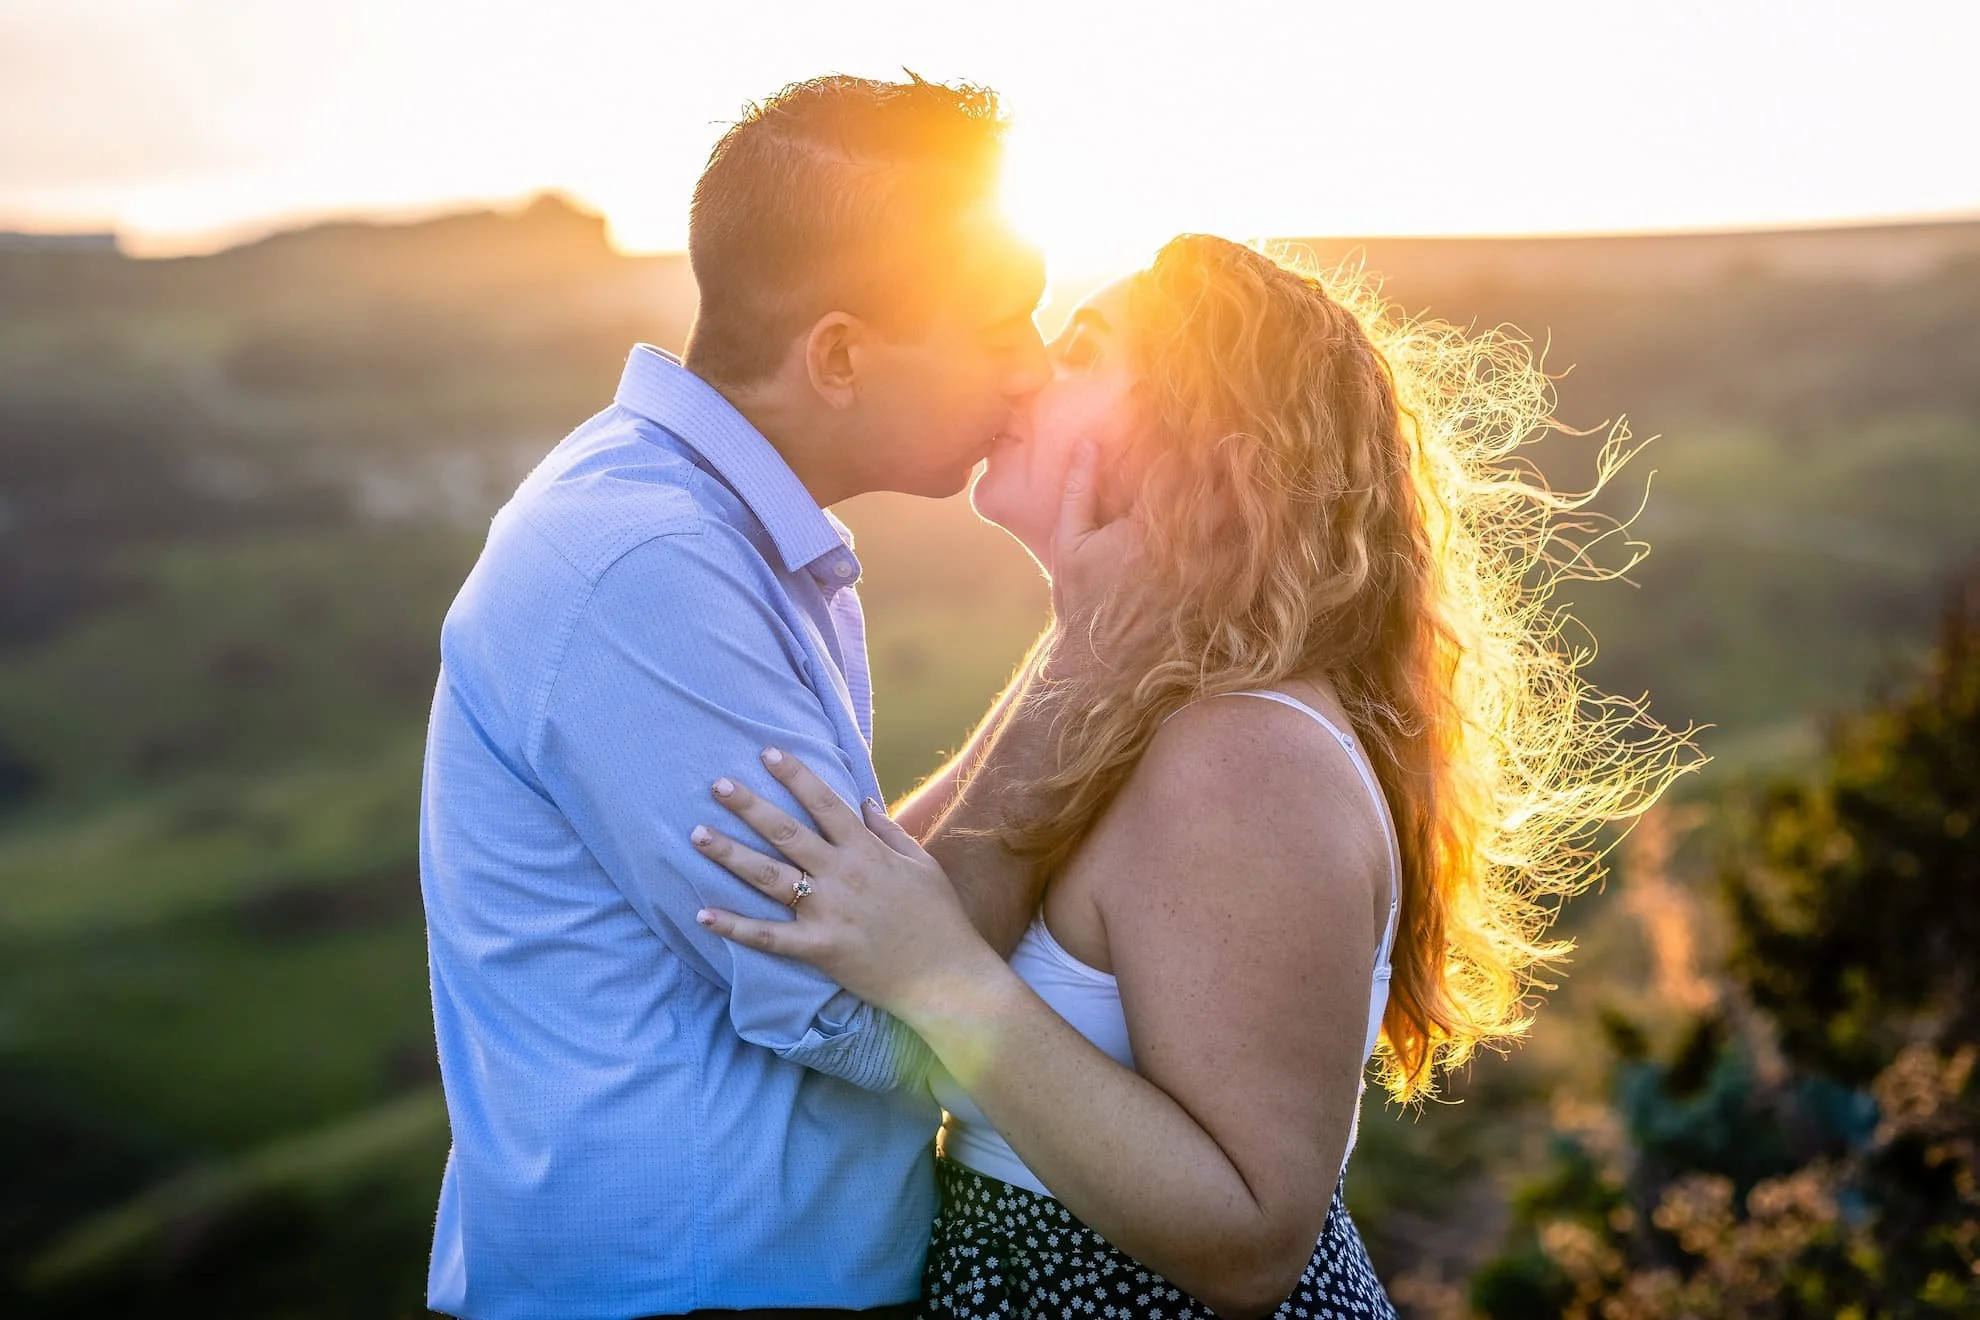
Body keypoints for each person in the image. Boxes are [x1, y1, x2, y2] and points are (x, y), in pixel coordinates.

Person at [691, 235, 1694, 1318]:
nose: (1025, 374)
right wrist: (1084, 647)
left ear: (1200, 439)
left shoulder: (1239, 754)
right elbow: (888, 897)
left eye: (1083, 352)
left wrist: (946, 977)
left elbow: (1253, 1239)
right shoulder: (1132, 703)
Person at [417, 74, 1056, 1318]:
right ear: (839, 355)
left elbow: (865, 902)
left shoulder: (707, 531)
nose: (1031, 370)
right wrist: (1096, 663)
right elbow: (861, 1011)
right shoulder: (648, 565)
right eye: (998, 327)